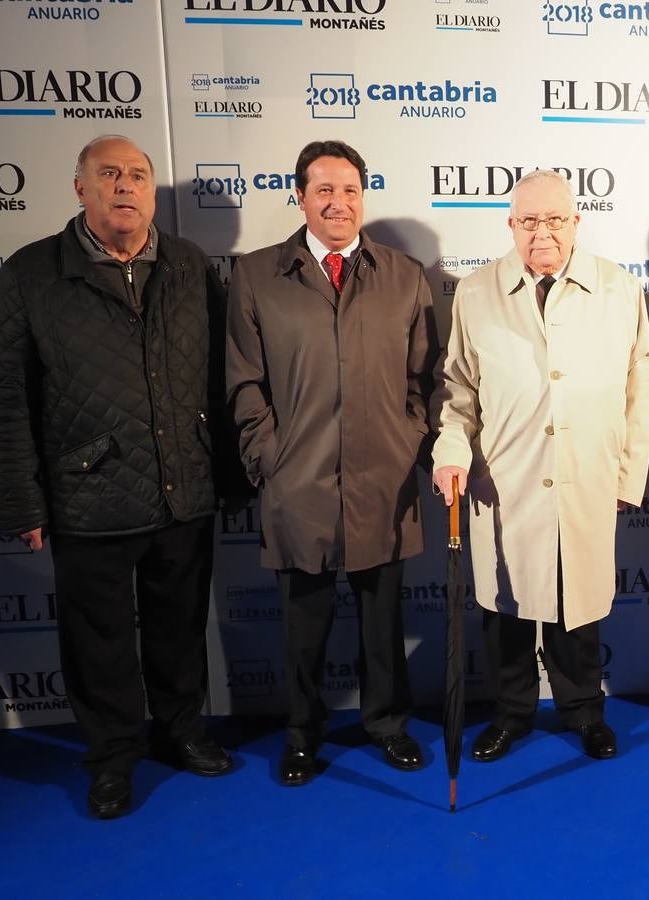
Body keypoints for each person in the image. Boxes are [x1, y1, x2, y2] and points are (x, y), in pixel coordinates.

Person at [0, 134, 239, 820]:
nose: (125, 186)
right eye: (109, 174)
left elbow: (222, 376)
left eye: (138, 175)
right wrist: (21, 499)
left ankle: (183, 733)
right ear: (80, 188)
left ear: (153, 191)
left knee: (180, 627)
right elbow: (6, 396)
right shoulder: (33, 273)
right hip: (85, 494)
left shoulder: (187, 264)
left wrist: (231, 478)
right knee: (97, 644)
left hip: (184, 485)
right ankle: (112, 759)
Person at [225, 140, 439, 787]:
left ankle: (388, 725)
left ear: (362, 197)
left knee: (383, 622)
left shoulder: (404, 275)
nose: (337, 203)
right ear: (300, 196)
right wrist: (270, 458)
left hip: (385, 482)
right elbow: (243, 380)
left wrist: (408, 442)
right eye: (323, 190)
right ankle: (301, 734)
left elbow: (423, 378)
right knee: (303, 626)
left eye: (349, 190)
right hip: (300, 485)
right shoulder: (257, 275)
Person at [431, 169, 649, 762]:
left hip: (584, 478)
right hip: (504, 484)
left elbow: (642, 391)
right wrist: (451, 454)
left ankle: (585, 711)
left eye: (555, 220)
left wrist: (627, 476)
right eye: (528, 221)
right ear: (511, 225)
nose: (542, 233)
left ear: (576, 222)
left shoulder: (617, 289)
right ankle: (511, 714)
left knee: (576, 608)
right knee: (506, 611)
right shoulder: (477, 294)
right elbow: (459, 396)